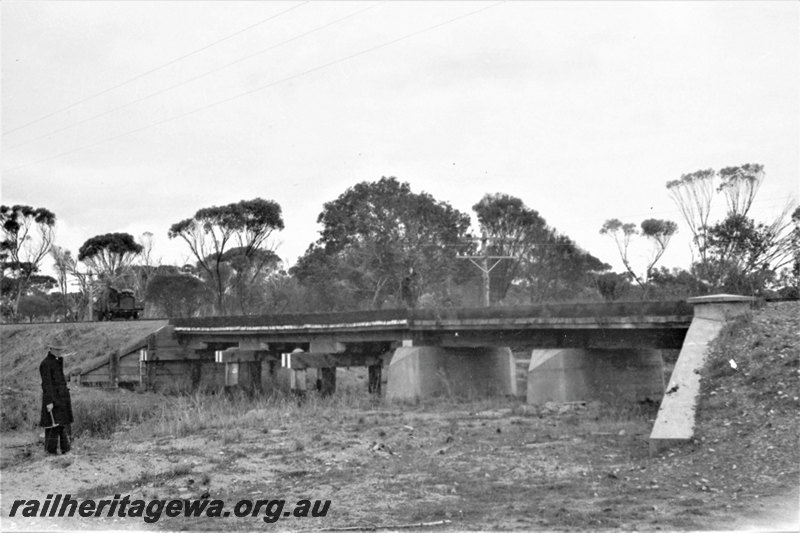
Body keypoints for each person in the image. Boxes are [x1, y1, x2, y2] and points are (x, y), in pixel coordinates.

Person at [39, 339, 74, 454]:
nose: (59, 352)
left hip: (62, 399)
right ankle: (50, 452)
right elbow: (47, 384)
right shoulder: (45, 364)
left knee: (63, 425)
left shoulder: (57, 362)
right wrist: (49, 402)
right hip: (53, 400)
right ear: (51, 349)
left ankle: (66, 450)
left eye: (60, 350)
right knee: (52, 427)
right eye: (57, 350)